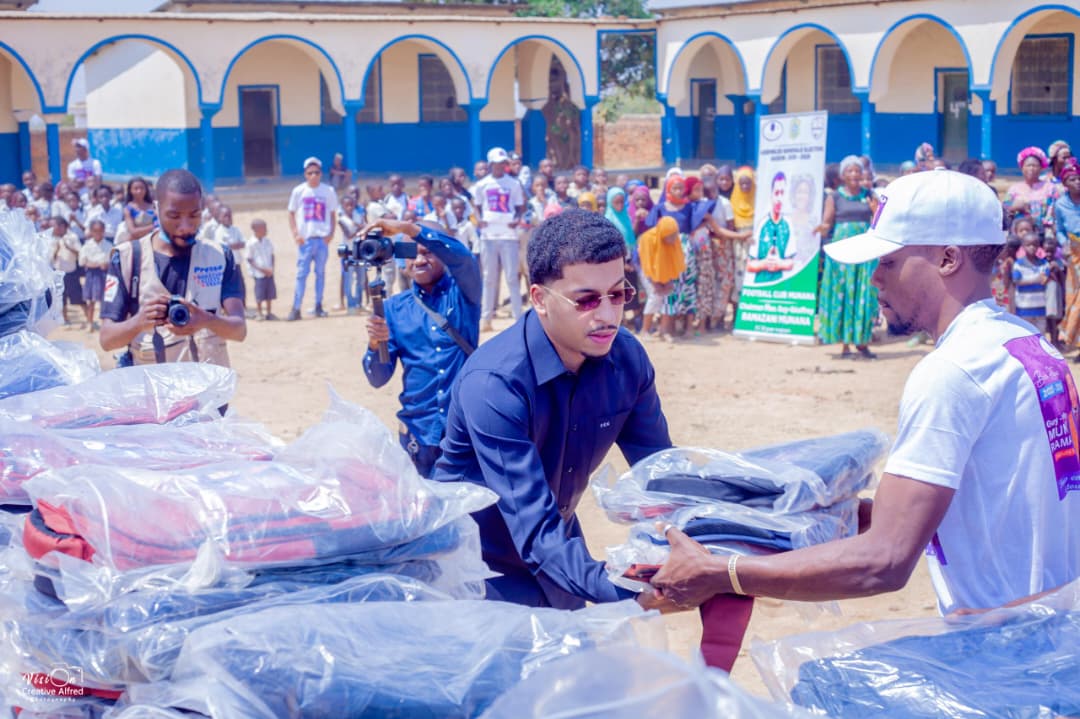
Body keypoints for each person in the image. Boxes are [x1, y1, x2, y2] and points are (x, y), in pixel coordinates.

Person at [652, 169, 1080, 616]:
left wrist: (723, 572)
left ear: (948, 259)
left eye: (888, 262)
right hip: (1053, 625)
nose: (875, 278)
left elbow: (884, 561)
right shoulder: (1029, 345)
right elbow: (1005, 499)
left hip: (1002, 640)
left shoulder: (953, 371)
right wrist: (851, 517)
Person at [432, 209, 675, 611]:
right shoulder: (494, 383)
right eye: (586, 300)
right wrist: (629, 591)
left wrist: (720, 542)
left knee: (576, 651)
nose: (607, 316)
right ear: (540, 299)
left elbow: (662, 473)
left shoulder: (626, 360)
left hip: (561, 553)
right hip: (475, 570)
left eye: (618, 295)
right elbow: (532, 526)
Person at [363, 217, 481, 478]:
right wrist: (375, 344)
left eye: (427, 252)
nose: (418, 260)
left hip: (462, 435)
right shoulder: (393, 309)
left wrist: (408, 229)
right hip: (417, 437)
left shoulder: (464, 293)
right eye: (411, 253)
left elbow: (462, 258)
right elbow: (377, 378)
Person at [99, 169, 246, 367]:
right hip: (151, 384)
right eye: (174, 216)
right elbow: (107, 339)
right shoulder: (128, 258)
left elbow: (239, 330)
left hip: (207, 384)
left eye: (194, 215)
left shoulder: (220, 256)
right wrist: (139, 321)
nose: (185, 226)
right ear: (156, 209)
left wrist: (207, 320)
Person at [818, 155, 879, 359]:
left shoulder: (869, 194)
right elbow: (827, 223)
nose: (854, 174)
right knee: (843, 293)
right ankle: (845, 345)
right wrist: (819, 229)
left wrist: (875, 211)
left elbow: (879, 222)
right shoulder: (834, 197)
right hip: (842, 252)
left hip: (865, 251)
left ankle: (862, 341)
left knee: (864, 293)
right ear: (843, 175)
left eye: (857, 171)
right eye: (849, 171)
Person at [474, 146, 525, 332]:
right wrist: (479, 220)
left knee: (511, 277)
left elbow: (520, 206)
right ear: (490, 164)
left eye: (502, 163)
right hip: (488, 235)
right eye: (496, 164)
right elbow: (477, 206)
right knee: (489, 277)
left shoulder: (513, 183)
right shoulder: (482, 185)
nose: (499, 166)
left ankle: (518, 317)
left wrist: (517, 220)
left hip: (508, 235)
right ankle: (486, 318)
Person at [286, 157, 338, 321]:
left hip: (322, 240)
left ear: (321, 173)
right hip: (306, 240)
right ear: (305, 174)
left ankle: (318, 305)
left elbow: (332, 214)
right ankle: (296, 308)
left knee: (320, 274)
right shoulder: (299, 191)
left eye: (316, 172)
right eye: (310, 173)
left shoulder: (328, 191)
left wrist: (331, 234)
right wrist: (296, 233)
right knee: (301, 274)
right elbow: (291, 213)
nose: (313, 176)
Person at [746, 171, 795, 284]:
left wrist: (779, 264)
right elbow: (749, 265)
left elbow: (791, 262)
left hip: (782, 286)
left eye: (782, 193)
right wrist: (764, 264)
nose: (779, 198)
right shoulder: (762, 224)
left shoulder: (788, 224)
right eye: (776, 193)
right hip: (760, 287)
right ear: (771, 195)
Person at [1005, 147, 1059, 237]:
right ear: (1022, 168)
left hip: (1044, 234)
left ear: (1041, 168)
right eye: (1028, 165)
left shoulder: (1050, 188)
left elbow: (1056, 210)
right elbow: (1004, 209)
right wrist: (1014, 206)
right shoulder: (1014, 189)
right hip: (1020, 235)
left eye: (1035, 166)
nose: (1031, 168)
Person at [48, 215, 88, 328]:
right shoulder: (52, 239)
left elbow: (80, 253)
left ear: (62, 226)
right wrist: (56, 250)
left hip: (71, 272)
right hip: (58, 272)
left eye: (53, 226)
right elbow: (51, 259)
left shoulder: (72, 237)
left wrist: (69, 247)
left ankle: (89, 319)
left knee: (79, 297)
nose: (52, 228)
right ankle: (65, 320)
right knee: (61, 298)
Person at [77, 219, 112, 333]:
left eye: (100, 231)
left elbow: (111, 261)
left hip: (104, 274)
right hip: (91, 274)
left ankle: (104, 324)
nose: (98, 233)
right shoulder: (87, 245)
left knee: (104, 301)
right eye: (95, 231)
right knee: (90, 301)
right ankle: (90, 323)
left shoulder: (108, 245)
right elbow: (82, 262)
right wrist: (94, 264)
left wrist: (106, 264)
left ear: (104, 231)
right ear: (91, 232)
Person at [1012, 229, 1050, 333]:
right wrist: (1035, 279)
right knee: (1025, 333)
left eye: (1034, 245)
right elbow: (1016, 281)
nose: (1032, 247)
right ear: (1023, 246)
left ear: (1039, 246)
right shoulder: (1019, 264)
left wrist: (1040, 279)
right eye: (1028, 245)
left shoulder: (1044, 264)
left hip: (1040, 307)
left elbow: (1044, 280)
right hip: (1024, 308)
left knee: (1040, 335)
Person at [246, 218, 277, 321]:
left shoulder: (267, 241)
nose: (266, 230)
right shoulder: (251, 243)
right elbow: (250, 259)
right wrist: (261, 270)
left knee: (269, 293)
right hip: (259, 274)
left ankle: (269, 313)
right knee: (259, 294)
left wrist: (271, 268)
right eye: (263, 228)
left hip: (269, 272)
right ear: (256, 230)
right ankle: (259, 313)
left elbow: (272, 255)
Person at [122, 176, 157, 244]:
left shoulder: (153, 206)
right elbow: (133, 231)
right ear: (130, 190)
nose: (139, 191)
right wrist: (153, 226)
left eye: (142, 188)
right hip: (135, 242)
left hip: (152, 241)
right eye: (136, 188)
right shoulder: (128, 209)